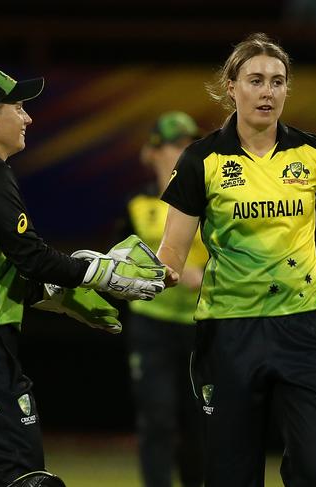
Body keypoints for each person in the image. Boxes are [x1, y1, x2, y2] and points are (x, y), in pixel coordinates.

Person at [0, 67, 166, 487]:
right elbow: (32, 257)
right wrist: (98, 273)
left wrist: (60, 294)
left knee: (14, 478)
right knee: (30, 481)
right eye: (18, 106)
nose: (28, 117)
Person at [156, 33, 316, 487]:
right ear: (231, 86)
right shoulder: (201, 159)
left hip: (304, 329)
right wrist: (152, 275)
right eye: (255, 80)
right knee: (230, 477)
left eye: (278, 82)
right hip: (229, 332)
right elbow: (172, 251)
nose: (268, 91)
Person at [123, 111, 206, 487]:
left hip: (200, 326)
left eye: (191, 144)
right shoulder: (136, 206)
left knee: (200, 423)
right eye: (177, 144)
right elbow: (117, 262)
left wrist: (207, 277)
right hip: (151, 326)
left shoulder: (211, 204)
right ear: (153, 152)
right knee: (157, 418)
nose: (185, 152)